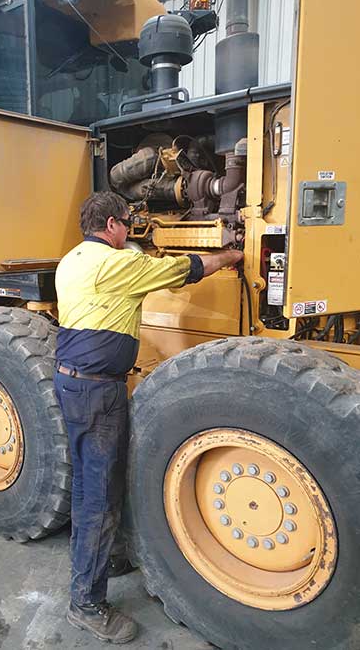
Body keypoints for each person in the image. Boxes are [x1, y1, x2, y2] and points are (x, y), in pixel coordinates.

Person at [54, 191, 243, 644]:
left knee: (88, 484)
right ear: (114, 225)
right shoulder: (115, 264)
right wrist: (231, 254)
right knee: (99, 493)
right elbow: (183, 270)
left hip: (73, 383)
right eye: (127, 226)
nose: (129, 234)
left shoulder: (72, 259)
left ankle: (104, 558)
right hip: (99, 392)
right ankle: (86, 603)